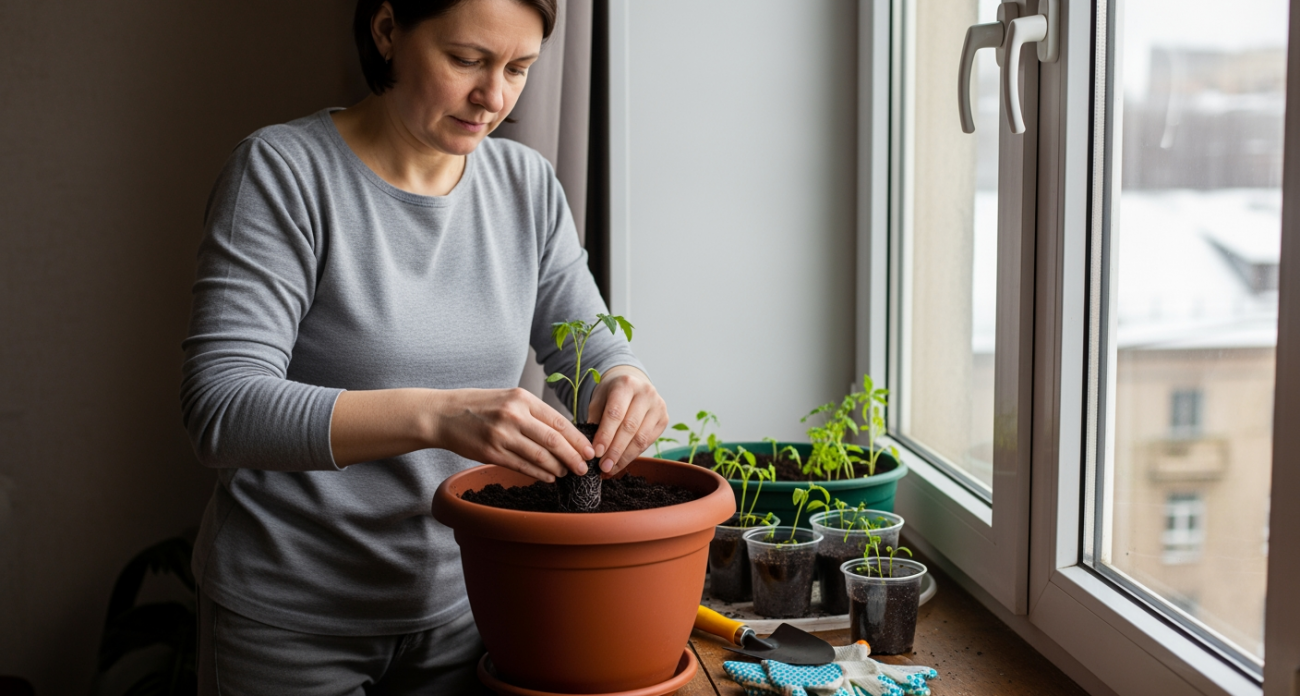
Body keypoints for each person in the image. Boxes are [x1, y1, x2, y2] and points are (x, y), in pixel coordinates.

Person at [179, 0, 668, 692]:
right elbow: (222, 408)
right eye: (466, 60)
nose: (492, 97)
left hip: (469, 609)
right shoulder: (282, 172)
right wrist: (438, 417)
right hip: (292, 620)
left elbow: (585, 341)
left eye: (518, 69)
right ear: (387, 32)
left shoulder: (525, 185)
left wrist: (622, 379)